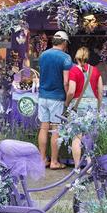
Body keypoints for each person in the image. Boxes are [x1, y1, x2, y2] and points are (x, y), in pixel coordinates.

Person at [38, 31, 73, 170]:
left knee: (43, 127)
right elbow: (66, 82)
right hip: (57, 97)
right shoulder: (66, 58)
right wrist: (68, 99)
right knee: (55, 130)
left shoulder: (43, 55)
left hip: (42, 96)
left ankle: (42, 160)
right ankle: (54, 161)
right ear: (64, 42)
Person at [65, 47, 103, 169]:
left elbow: (71, 91)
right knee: (89, 137)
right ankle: (89, 166)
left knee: (76, 137)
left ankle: (77, 167)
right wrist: (98, 107)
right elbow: (100, 91)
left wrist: (67, 103)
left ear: (76, 57)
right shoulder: (95, 70)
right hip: (92, 106)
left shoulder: (74, 71)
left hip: (78, 106)